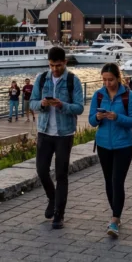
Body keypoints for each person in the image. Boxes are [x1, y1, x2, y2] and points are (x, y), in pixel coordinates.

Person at [30, 46, 85, 230]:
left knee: (61, 174)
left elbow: (79, 107)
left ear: (65, 62)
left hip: (64, 134)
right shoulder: (41, 79)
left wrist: (62, 105)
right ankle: (52, 197)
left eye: (58, 65)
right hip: (44, 132)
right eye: (52, 65)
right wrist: (42, 104)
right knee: (41, 170)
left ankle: (59, 215)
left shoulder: (72, 81)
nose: (55, 69)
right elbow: (32, 102)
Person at [88, 63, 132, 238]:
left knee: (117, 181)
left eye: (110, 79)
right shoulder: (98, 95)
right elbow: (91, 121)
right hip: (103, 144)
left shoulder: (128, 96)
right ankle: (115, 212)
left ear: (118, 78)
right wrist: (97, 116)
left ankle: (115, 219)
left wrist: (117, 117)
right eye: (104, 80)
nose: (107, 83)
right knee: (109, 181)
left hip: (123, 145)